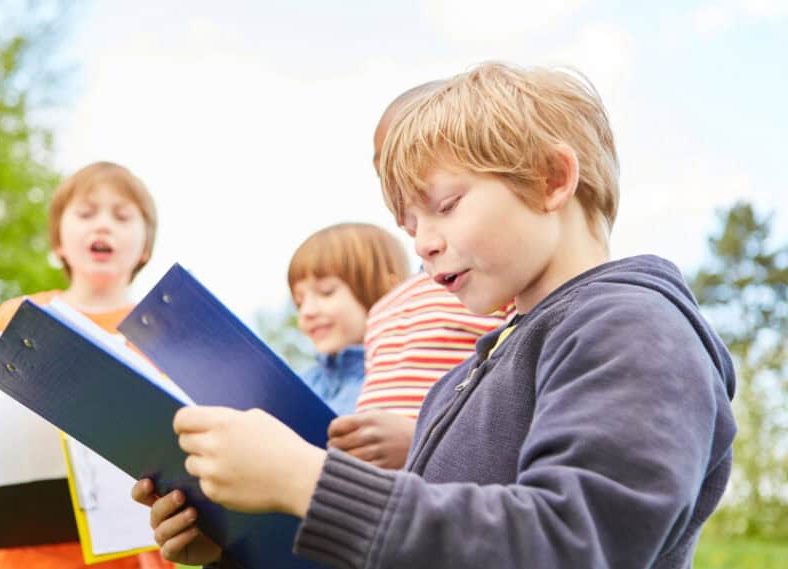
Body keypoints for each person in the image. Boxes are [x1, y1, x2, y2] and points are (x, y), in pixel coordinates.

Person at [133, 62, 737, 569]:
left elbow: (572, 544)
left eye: (446, 205)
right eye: (410, 226)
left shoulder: (634, 328)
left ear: (551, 179)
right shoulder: (455, 384)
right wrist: (237, 545)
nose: (423, 243)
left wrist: (304, 479)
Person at [0, 161, 172, 569]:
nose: (103, 225)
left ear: (145, 247)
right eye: (86, 213)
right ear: (58, 241)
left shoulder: (165, 336)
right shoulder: (17, 317)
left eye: (121, 216)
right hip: (21, 557)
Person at [328, 82, 513, 469]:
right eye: (385, 165)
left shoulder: (495, 286)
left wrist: (419, 441)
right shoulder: (384, 309)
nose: (398, 174)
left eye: (414, 150)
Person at [288, 222, 410, 415]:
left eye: (326, 292)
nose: (307, 312)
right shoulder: (296, 388)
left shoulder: (400, 382)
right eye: (299, 301)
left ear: (388, 293)